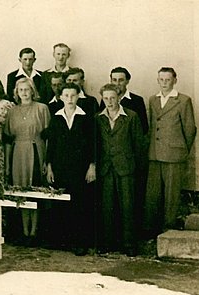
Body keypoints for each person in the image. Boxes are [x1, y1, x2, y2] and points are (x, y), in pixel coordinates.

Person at [143, 67, 196, 239]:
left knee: (171, 196)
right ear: (157, 80)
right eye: (161, 80)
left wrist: (180, 149)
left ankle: (168, 231)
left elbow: (189, 129)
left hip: (174, 155)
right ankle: (151, 232)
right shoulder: (153, 100)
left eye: (168, 80)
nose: (164, 83)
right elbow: (152, 127)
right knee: (153, 194)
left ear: (175, 80)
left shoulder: (183, 100)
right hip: (155, 154)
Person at [46, 83, 96, 255]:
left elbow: (93, 144)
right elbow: (51, 144)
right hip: (60, 168)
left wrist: (92, 166)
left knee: (79, 204)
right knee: (62, 204)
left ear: (78, 97)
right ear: (60, 97)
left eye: (73, 95)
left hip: (80, 168)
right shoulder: (56, 117)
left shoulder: (86, 117)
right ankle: (64, 240)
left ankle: (80, 241)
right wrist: (49, 166)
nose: (69, 99)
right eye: (66, 95)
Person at [95, 84, 144, 256]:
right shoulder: (98, 118)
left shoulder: (131, 117)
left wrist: (136, 168)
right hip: (106, 167)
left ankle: (129, 244)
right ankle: (108, 243)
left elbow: (138, 145)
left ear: (119, 98)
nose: (109, 101)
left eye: (112, 98)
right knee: (107, 206)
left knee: (127, 206)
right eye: (106, 98)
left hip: (126, 168)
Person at [4, 77, 50, 247]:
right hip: (18, 153)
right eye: (21, 90)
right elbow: (8, 139)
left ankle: (34, 232)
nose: (24, 93)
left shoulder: (42, 108)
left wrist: (46, 160)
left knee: (35, 189)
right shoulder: (12, 111)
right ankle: (24, 232)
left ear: (33, 90)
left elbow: (47, 138)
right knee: (21, 190)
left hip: (36, 149)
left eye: (27, 89)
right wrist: (8, 164)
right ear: (17, 92)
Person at [109, 67, 148, 134]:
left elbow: (143, 128)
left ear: (127, 81)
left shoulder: (137, 101)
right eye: (114, 80)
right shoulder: (106, 99)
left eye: (121, 80)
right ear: (111, 81)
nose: (117, 83)